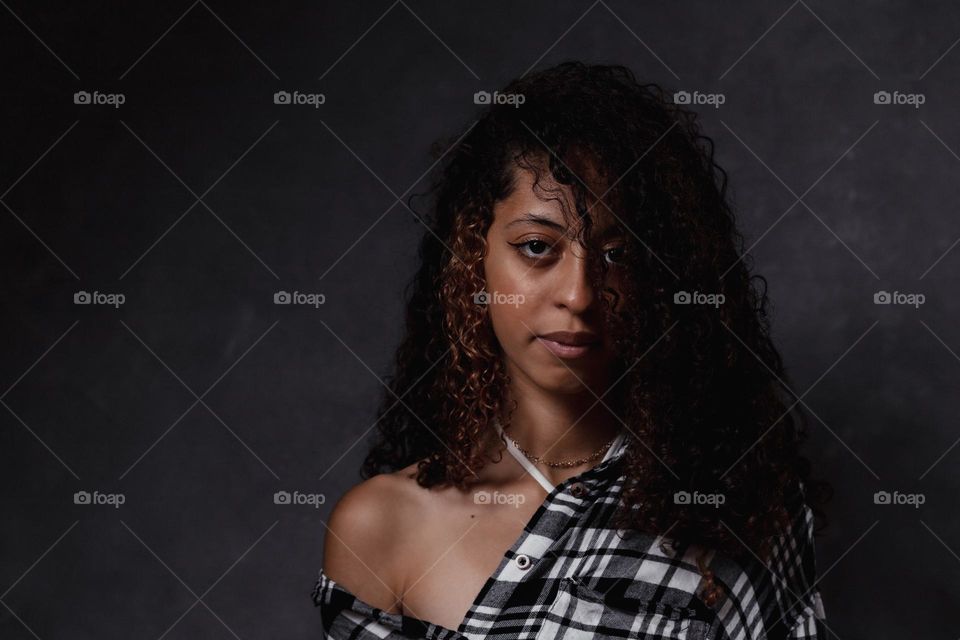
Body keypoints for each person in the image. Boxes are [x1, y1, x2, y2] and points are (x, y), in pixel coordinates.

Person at [312, 60, 831, 639]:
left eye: (618, 255)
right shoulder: (383, 525)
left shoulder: (738, 514)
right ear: (470, 260)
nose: (579, 295)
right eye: (537, 247)